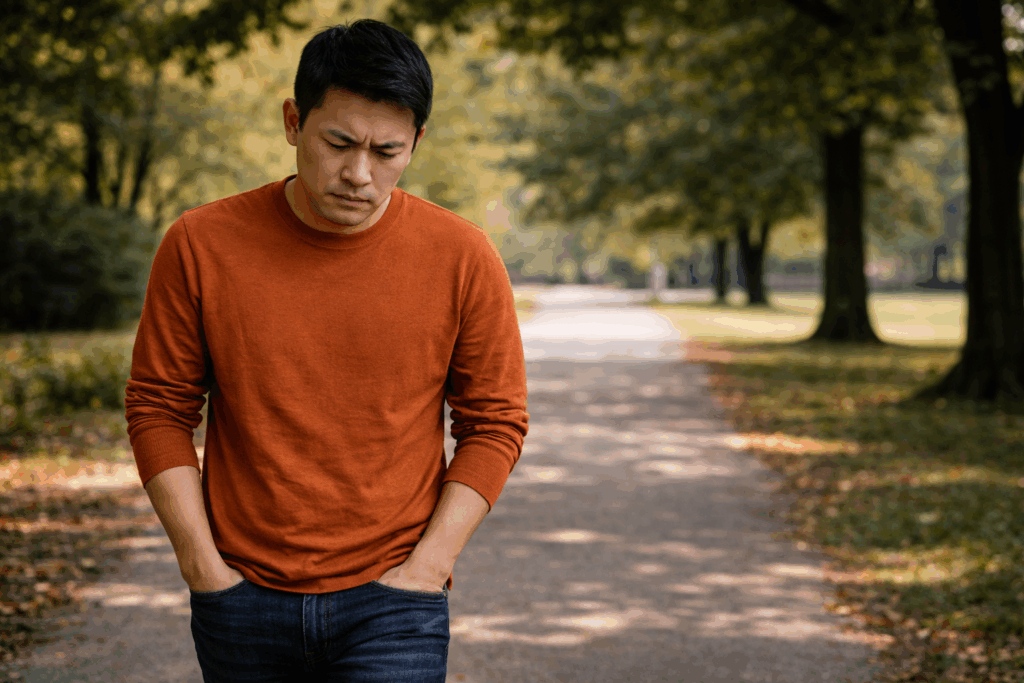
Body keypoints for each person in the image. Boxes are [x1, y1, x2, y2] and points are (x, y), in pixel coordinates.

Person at [124, 19, 529, 682]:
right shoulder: (200, 244)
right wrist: (202, 564)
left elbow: (495, 421)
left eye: (388, 151)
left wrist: (428, 567)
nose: (360, 173)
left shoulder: (462, 257)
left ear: (416, 143)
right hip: (240, 595)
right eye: (338, 142)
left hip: (394, 603)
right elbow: (158, 406)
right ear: (293, 122)